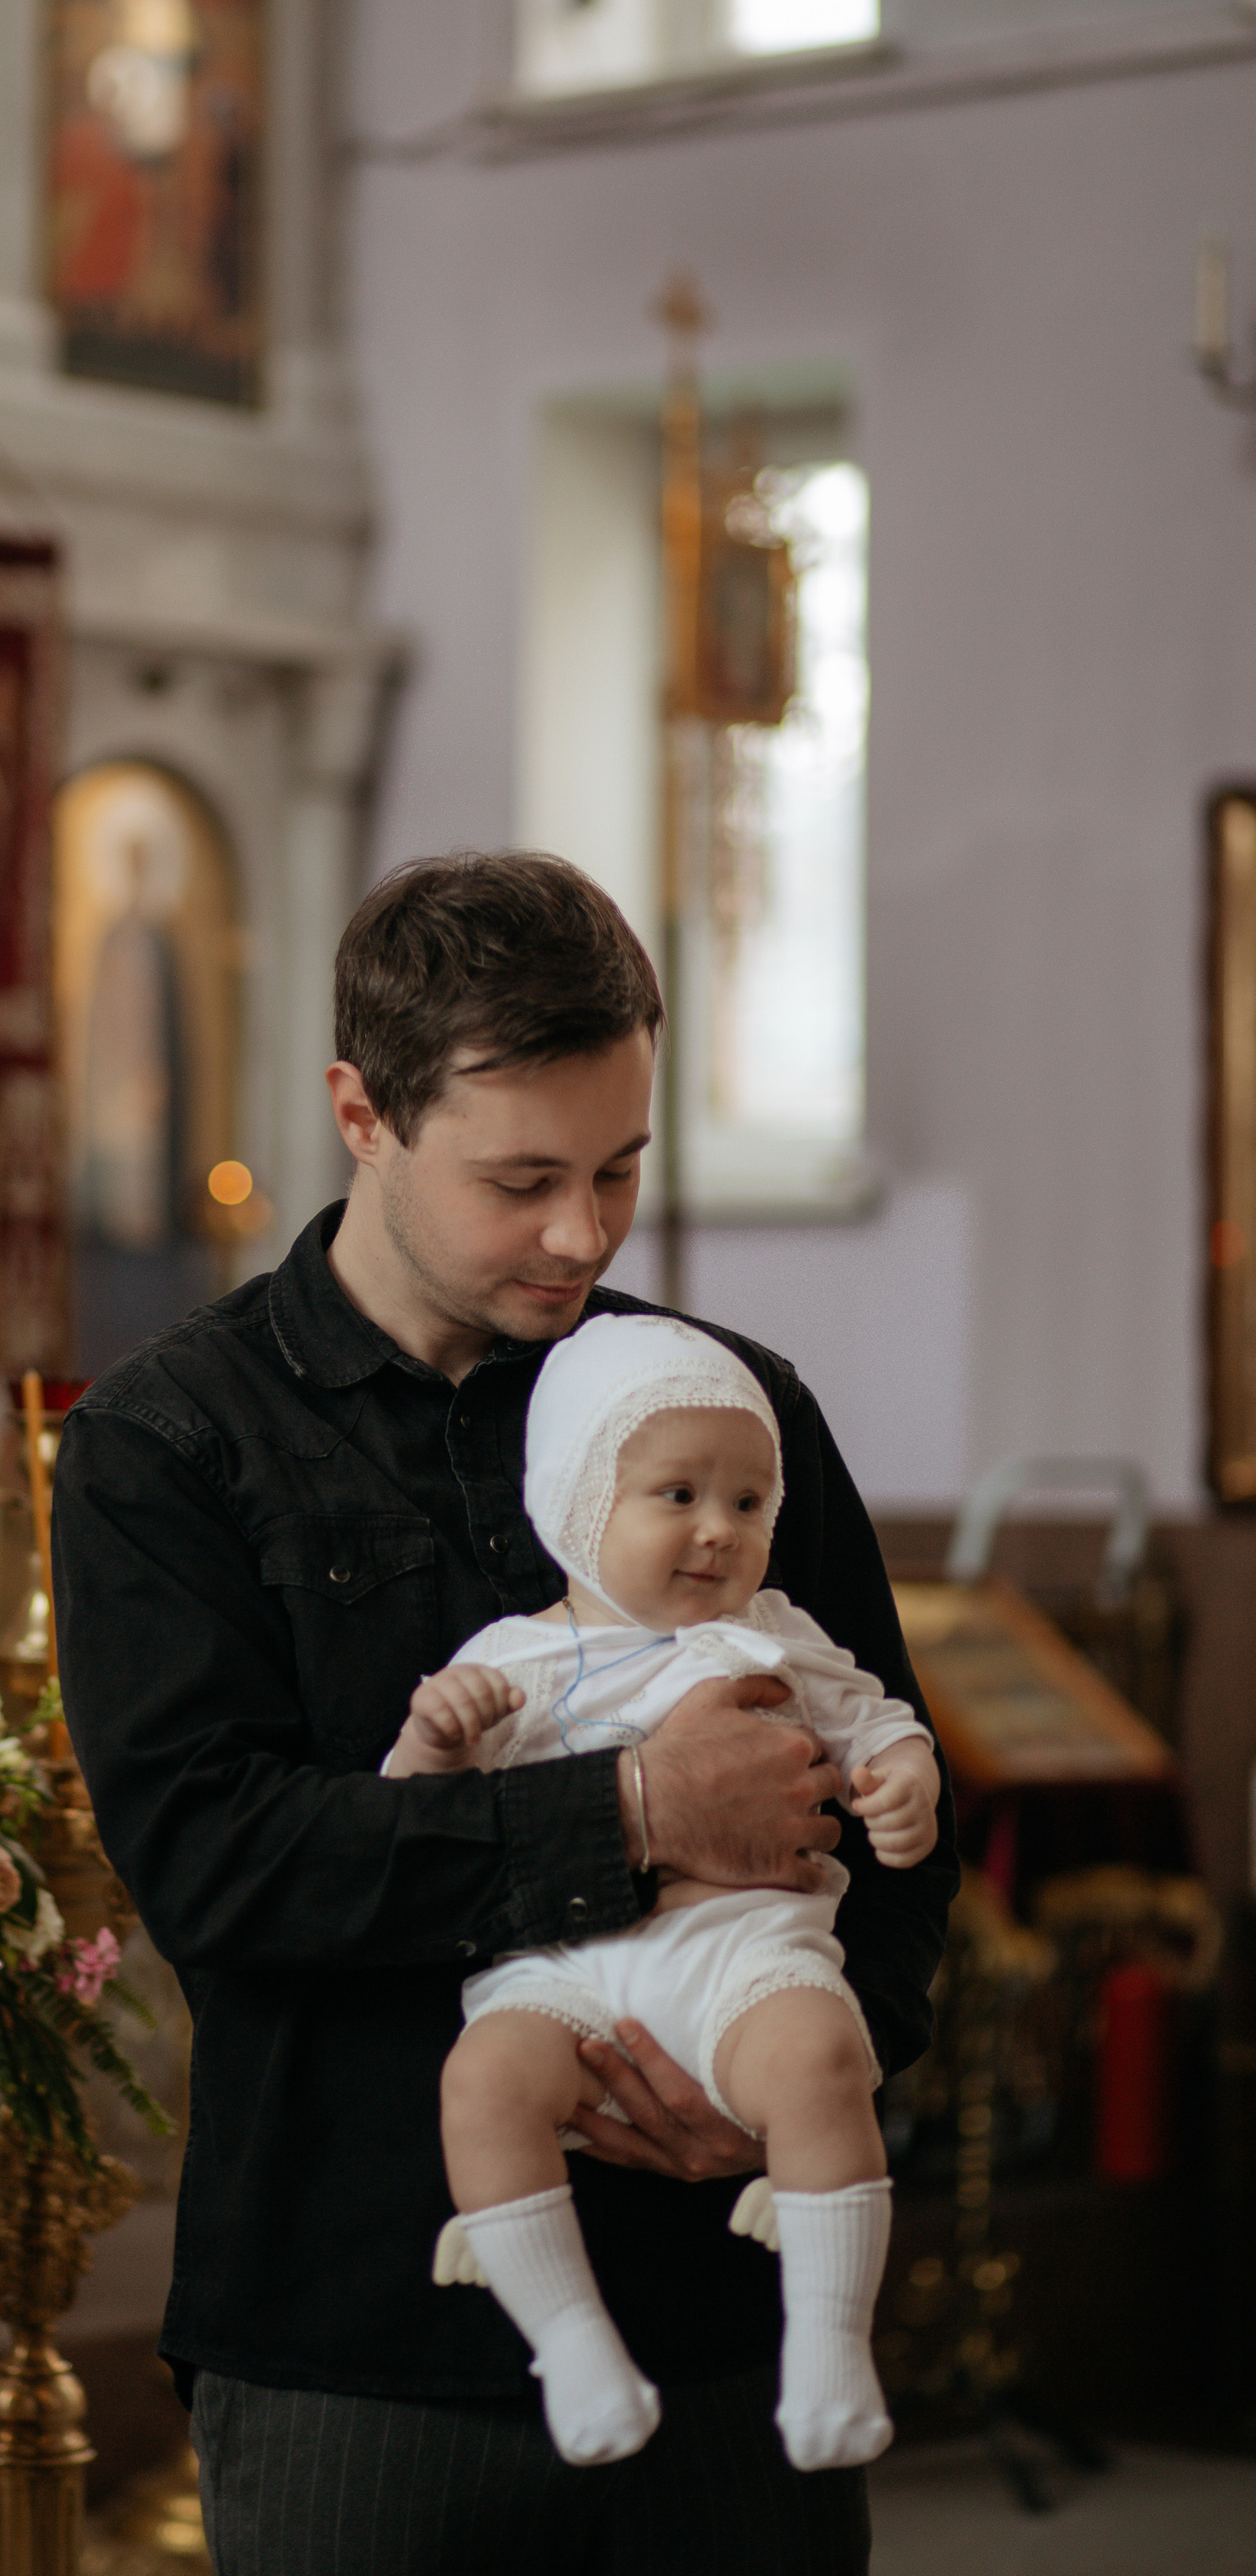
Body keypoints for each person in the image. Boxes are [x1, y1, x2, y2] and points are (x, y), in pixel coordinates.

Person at [52, 852, 956, 2576]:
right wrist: (625, 1814)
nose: (582, 1233)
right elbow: (217, 1866)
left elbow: (899, 1820)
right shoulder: (171, 1441)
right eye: (520, 1178)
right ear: (361, 1114)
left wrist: (814, 2073)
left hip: (720, 2320)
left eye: (618, 1168)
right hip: (356, 2333)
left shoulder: (731, 1412)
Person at [388, 1311, 941, 2474]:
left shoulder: (776, 1638)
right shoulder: (514, 1660)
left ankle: (832, 2346)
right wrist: (436, 1742)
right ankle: (573, 2346)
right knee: (484, 2085)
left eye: (748, 1505)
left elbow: (880, 1716)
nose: (718, 1533)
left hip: (743, 1955)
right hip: (562, 1972)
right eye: (676, 1496)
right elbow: (416, 1825)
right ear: (580, 1502)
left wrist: (903, 1778)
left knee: (820, 2063)